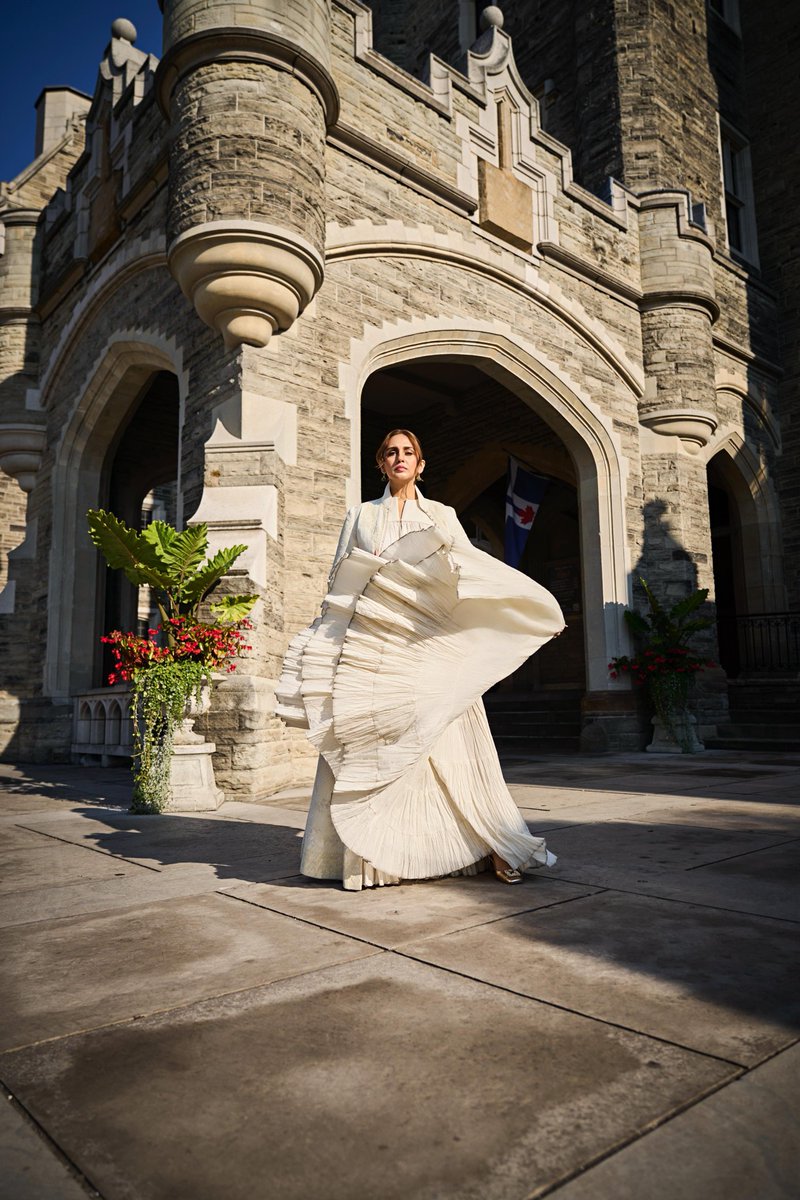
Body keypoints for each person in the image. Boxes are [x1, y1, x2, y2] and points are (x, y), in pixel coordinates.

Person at [276, 429, 565, 891]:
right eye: (391, 452)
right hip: (377, 645)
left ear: (421, 464)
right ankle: (377, 858)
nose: (400, 458)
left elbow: (468, 571)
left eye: (408, 452)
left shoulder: (442, 514)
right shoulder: (361, 514)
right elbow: (336, 579)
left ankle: (493, 846)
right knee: (373, 744)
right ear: (381, 464)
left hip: (429, 645)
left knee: (454, 745)